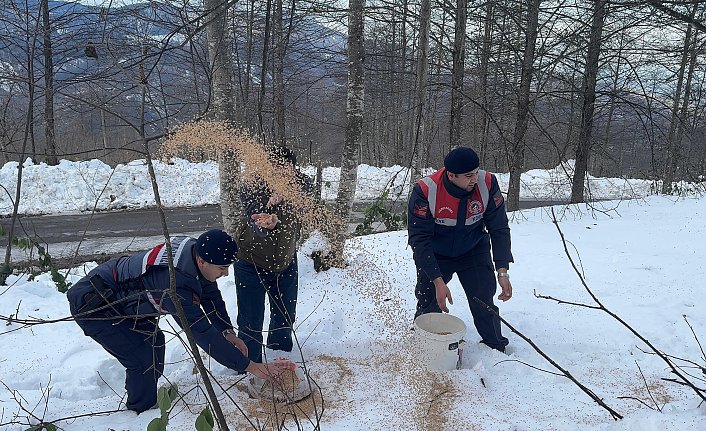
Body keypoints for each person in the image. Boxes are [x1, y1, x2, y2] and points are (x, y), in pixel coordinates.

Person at [67, 229, 291, 413]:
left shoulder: (195, 254)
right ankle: (139, 412)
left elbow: (210, 296)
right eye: (223, 268)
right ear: (202, 261)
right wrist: (250, 366)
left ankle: (144, 398)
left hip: (131, 304)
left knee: (154, 342)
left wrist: (227, 332)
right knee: (142, 358)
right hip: (96, 304)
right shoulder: (175, 285)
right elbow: (201, 333)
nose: (225, 274)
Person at [407, 147, 514, 352]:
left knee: (483, 300)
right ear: (451, 174)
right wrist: (437, 280)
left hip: (473, 249)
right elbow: (419, 240)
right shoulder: (426, 190)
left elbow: (499, 227)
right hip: (436, 254)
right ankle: (424, 348)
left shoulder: (487, 183)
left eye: (476, 172)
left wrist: (502, 269)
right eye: (468, 176)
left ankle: (495, 347)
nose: (474, 179)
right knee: (429, 302)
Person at [234, 146, 313, 363]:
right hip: (251, 262)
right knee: (251, 320)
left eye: (286, 170)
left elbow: (307, 200)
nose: (281, 175)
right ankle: (250, 366)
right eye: (274, 170)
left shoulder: (301, 183)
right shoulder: (250, 186)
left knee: (285, 315)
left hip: (285, 261)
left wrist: (286, 192)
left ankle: (280, 359)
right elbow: (256, 222)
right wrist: (267, 224)